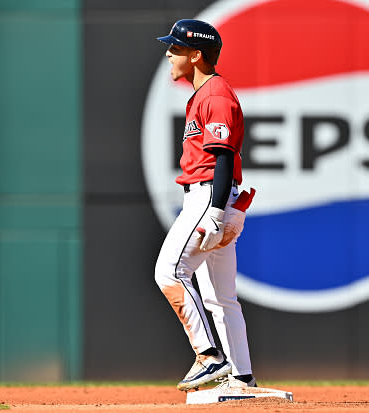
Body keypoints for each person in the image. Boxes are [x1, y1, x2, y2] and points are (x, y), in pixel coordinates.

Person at [153, 19, 256, 391]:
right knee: (220, 296)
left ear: (196, 55)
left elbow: (223, 155)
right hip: (217, 196)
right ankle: (241, 378)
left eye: (177, 48)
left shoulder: (214, 94)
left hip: (209, 195)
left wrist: (214, 210)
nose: (169, 53)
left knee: (169, 272)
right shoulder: (204, 93)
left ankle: (209, 357)